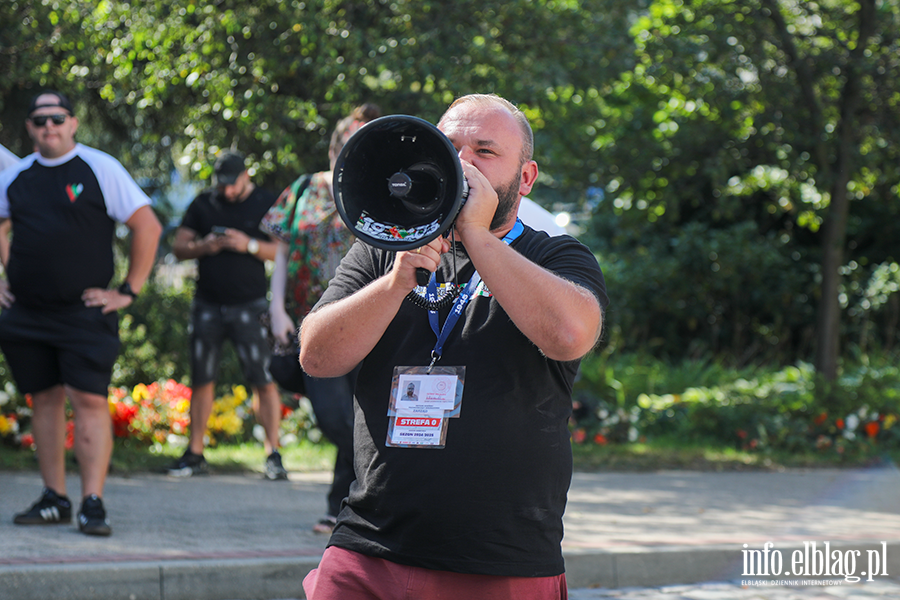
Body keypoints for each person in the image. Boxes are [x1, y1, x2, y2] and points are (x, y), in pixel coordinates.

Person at [298, 94, 608, 599]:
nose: (464, 163)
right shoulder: (385, 250)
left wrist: (477, 236)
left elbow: (571, 335)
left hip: (499, 561)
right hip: (368, 550)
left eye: (486, 151)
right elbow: (316, 355)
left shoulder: (555, 255)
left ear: (525, 179)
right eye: (452, 146)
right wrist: (397, 279)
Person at [0, 90, 162, 536]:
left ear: (72, 123)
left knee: (88, 399)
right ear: (30, 128)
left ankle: (93, 502)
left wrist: (128, 290)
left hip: (83, 313)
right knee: (44, 401)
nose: (48, 126)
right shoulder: (17, 177)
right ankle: (55, 498)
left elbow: (147, 225)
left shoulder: (99, 167)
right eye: (39, 120)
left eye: (57, 118)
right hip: (27, 314)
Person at [261, 103, 380, 533]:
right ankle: (357, 503)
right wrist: (276, 309)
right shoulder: (306, 188)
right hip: (312, 322)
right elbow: (282, 250)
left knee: (360, 416)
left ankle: (341, 508)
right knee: (338, 420)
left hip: (370, 322)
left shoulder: (380, 190)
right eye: (354, 137)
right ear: (336, 146)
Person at [166, 151, 286, 479]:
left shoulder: (265, 201)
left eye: (233, 185)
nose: (228, 192)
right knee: (202, 379)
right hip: (207, 305)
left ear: (246, 175)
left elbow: (282, 251)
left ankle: (273, 454)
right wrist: (205, 246)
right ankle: (195, 454)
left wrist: (246, 244)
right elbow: (179, 248)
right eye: (222, 186)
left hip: (251, 306)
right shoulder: (204, 203)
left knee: (263, 378)